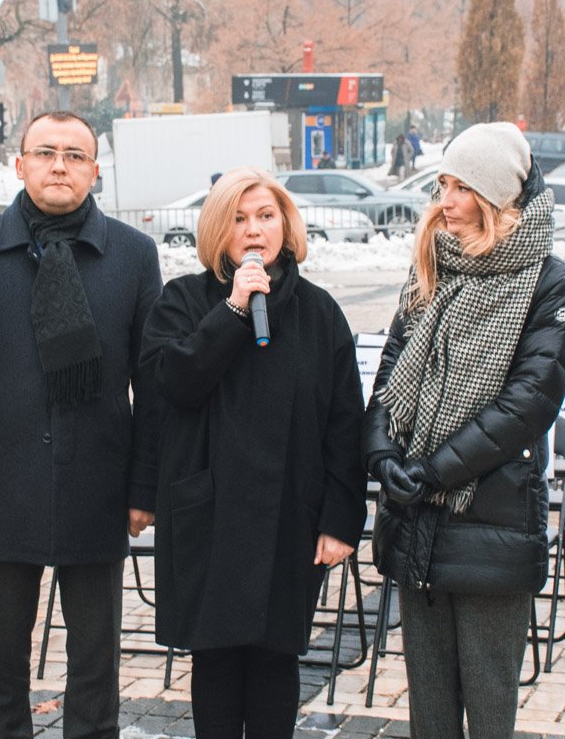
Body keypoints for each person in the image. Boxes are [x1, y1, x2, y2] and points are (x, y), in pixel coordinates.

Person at [0, 110, 163, 738]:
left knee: (95, 666)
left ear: (95, 170)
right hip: (2, 482)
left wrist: (144, 489)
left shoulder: (133, 255)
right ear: (20, 163)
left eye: (75, 155)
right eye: (47, 152)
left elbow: (154, 385)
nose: (61, 165)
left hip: (99, 483)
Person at [363, 122, 565, 738]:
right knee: (429, 715)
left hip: (491, 524)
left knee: (487, 711)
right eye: (443, 185)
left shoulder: (545, 278)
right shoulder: (431, 267)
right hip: (417, 523)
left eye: (461, 188)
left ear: (495, 198)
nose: (445, 201)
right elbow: (389, 374)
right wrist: (382, 456)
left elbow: (527, 404)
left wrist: (431, 470)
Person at [138, 167, 365, 738]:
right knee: (214, 658)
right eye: (238, 219)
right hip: (209, 515)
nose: (254, 230)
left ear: (286, 226)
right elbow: (174, 384)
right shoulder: (183, 300)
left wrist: (340, 518)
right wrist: (234, 311)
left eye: (266, 216)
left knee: (276, 657)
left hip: (291, 514)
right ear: (219, 231)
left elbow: (345, 426)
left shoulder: (319, 313)